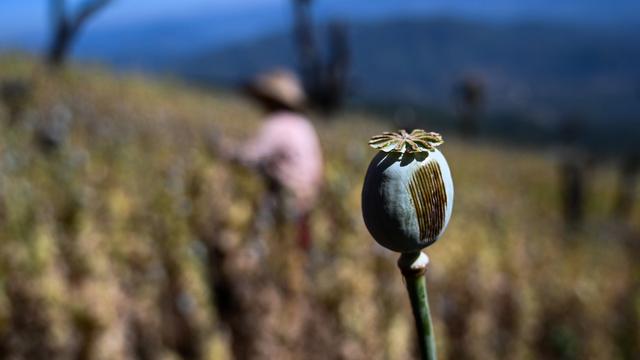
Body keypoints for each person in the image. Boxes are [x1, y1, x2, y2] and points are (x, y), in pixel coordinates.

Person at [218, 69, 323, 251]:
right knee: (296, 249)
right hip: (308, 197)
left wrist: (229, 152)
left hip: (286, 195)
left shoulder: (277, 124)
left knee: (265, 242)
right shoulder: (304, 124)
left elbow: (251, 156)